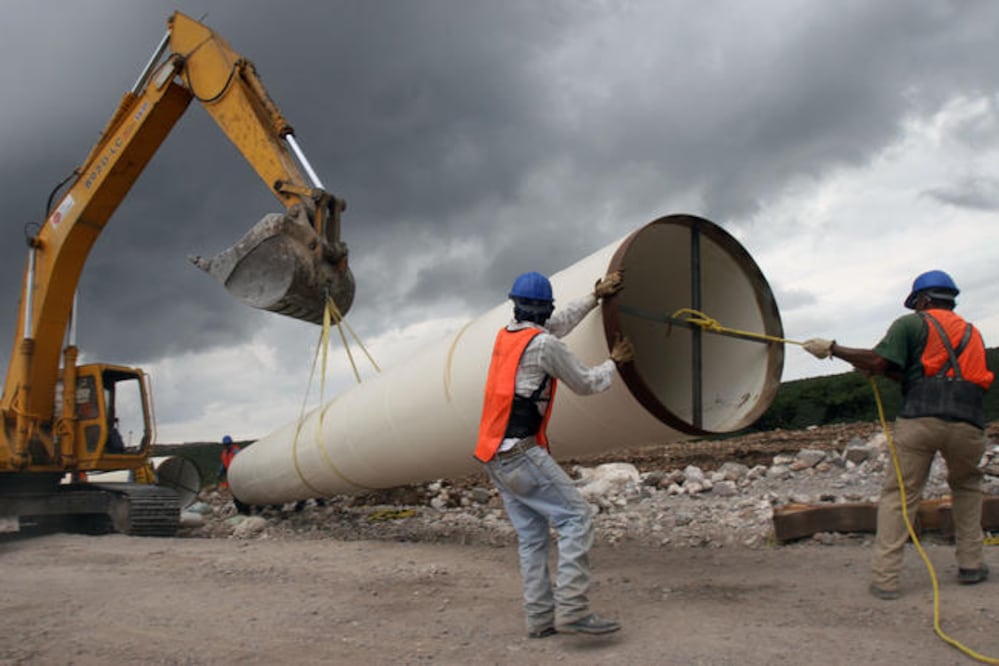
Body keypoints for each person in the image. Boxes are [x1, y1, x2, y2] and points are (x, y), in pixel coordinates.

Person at [802, 269, 993, 600]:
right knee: (967, 489)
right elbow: (918, 374)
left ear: (922, 299)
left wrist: (833, 348)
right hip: (969, 421)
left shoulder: (912, 324)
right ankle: (971, 565)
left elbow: (879, 360)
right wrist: (880, 369)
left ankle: (886, 580)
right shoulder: (972, 333)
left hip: (920, 420)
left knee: (900, 497)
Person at [475, 270, 635, 638]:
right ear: (546, 308)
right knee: (576, 518)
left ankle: (540, 620)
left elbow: (554, 326)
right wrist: (616, 361)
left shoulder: (507, 338)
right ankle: (574, 610)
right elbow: (586, 382)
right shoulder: (545, 345)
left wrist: (595, 297)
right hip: (521, 452)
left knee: (532, 539)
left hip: (493, 454)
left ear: (514, 305)